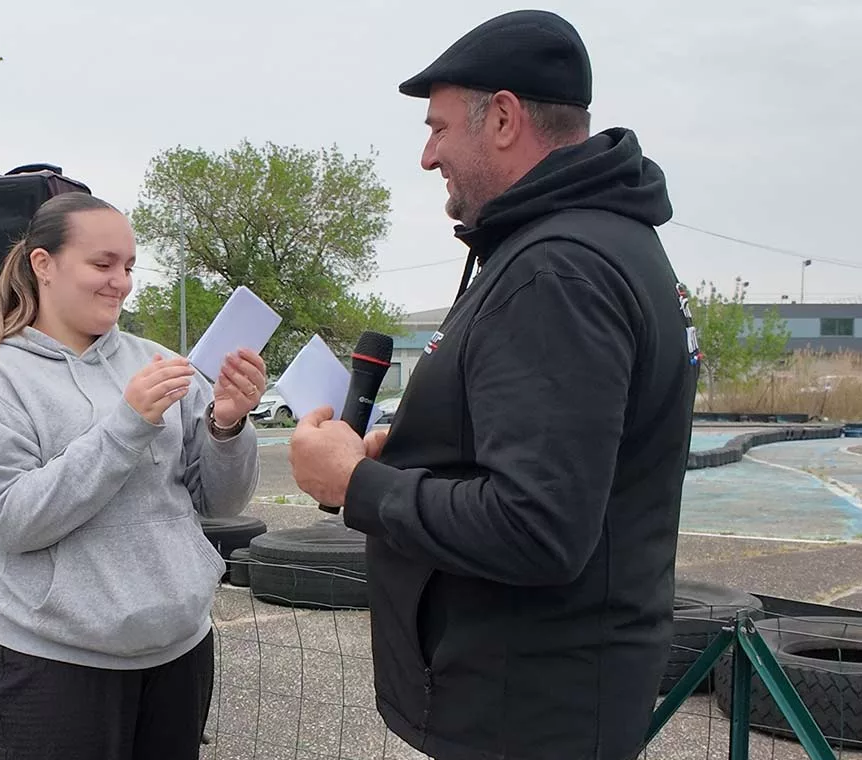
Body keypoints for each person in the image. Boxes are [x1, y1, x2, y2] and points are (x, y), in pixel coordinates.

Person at [289, 9, 699, 760]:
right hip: (555, 698)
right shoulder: (606, 238)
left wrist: (356, 484)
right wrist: (409, 452)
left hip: (525, 712)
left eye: (439, 128)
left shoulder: (556, 268)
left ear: (504, 117)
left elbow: (538, 527)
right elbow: (558, 458)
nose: (426, 155)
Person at [0, 192, 265, 759]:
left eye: (128, 266)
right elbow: (10, 522)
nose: (120, 281)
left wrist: (227, 425)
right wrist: (126, 426)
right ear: (43, 265)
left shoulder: (159, 362)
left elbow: (222, 501)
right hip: (55, 659)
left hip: (179, 650)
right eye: (102, 264)